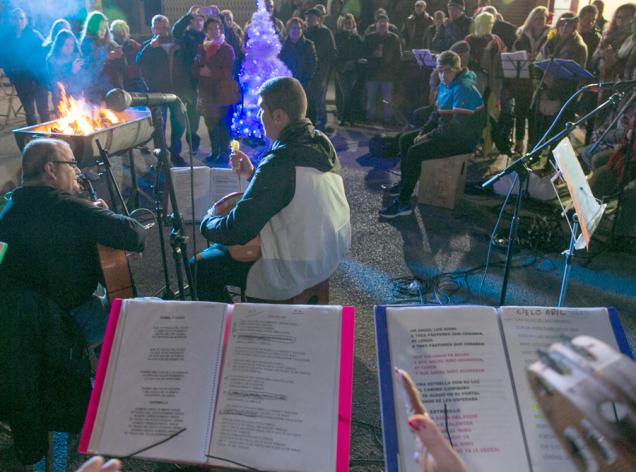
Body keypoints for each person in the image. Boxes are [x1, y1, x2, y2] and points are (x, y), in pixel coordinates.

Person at [191, 76, 351, 302]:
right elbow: (293, 190)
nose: (259, 117)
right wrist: (252, 174)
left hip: (291, 267)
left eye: (261, 110)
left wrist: (208, 220)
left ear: (278, 116)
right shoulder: (321, 143)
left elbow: (237, 229)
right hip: (326, 256)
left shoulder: (280, 161)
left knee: (199, 267)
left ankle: (232, 330)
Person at [0, 138, 147, 345]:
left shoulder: (10, 210)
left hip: (20, 327)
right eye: (71, 163)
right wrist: (101, 215)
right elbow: (134, 234)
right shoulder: (68, 207)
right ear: (51, 169)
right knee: (146, 313)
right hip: (64, 324)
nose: (78, 171)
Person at [379, 51, 484, 218]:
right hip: (449, 133)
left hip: (463, 140)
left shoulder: (463, 88)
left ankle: (404, 202)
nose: (443, 75)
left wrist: (427, 137)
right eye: (440, 71)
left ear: (457, 69)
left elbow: (455, 129)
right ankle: (404, 185)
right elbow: (436, 115)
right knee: (406, 139)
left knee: (415, 152)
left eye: (447, 70)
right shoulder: (446, 85)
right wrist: (422, 132)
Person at [136, 14, 190, 166]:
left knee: (179, 124)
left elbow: (186, 67)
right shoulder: (148, 45)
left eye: (164, 27)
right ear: (153, 29)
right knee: (159, 126)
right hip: (157, 93)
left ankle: (175, 153)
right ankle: (161, 156)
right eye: (158, 27)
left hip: (176, 92)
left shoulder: (178, 44)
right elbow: (138, 62)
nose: (162, 31)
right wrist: (149, 48)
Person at [533, 12, 587, 148]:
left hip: (562, 94)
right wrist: (537, 79)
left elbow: (578, 75)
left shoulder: (579, 46)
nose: (564, 28)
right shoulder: (551, 40)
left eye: (569, 25)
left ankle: (551, 163)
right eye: (562, 24)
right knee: (539, 128)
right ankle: (534, 155)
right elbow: (539, 60)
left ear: (575, 27)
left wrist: (556, 89)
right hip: (544, 88)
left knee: (557, 132)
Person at [192, 16, 238, 162]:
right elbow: (194, 67)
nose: (214, 31)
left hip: (221, 93)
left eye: (217, 28)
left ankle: (224, 154)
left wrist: (210, 73)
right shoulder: (201, 48)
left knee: (223, 125)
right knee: (210, 124)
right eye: (210, 28)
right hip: (206, 94)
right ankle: (215, 151)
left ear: (221, 30)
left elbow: (229, 71)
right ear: (206, 31)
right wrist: (199, 72)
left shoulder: (227, 49)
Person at [0, 8, 50, 125]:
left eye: (21, 18)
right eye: (15, 18)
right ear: (11, 21)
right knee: (29, 112)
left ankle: (50, 138)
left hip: (39, 79)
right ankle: (33, 139)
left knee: (44, 111)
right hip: (21, 80)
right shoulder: (7, 40)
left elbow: (44, 56)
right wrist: (11, 75)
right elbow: (4, 59)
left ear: (26, 20)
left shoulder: (34, 35)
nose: (18, 21)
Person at [511, 6, 549, 154]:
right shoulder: (522, 35)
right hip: (523, 79)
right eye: (536, 18)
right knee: (520, 112)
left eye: (542, 18)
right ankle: (519, 143)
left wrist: (539, 57)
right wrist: (523, 55)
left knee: (534, 116)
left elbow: (552, 54)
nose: (539, 21)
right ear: (531, 20)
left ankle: (532, 146)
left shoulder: (551, 36)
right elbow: (514, 54)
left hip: (540, 80)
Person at [361, 14, 402, 123]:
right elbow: (363, 53)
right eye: (380, 22)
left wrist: (394, 69)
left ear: (388, 24)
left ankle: (388, 119)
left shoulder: (393, 38)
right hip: (372, 73)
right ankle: (370, 118)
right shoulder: (369, 37)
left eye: (384, 22)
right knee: (371, 98)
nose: (382, 24)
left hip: (387, 74)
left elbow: (398, 56)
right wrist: (372, 55)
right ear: (376, 24)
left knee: (387, 99)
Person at [79, 11, 125, 102]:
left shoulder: (110, 43)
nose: (103, 31)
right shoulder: (87, 43)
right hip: (96, 88)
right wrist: (106, 57)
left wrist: (120, 55)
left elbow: (122, 66)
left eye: (104, 28)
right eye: (100, 28)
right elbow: (90, 64)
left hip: (113, 86)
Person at [305, 7, 337, 131]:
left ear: (318, 19)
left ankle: (321, 123)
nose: (309, 20)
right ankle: (310, 122)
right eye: (308, 18)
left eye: (312, 18)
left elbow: (332, 52)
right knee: (308, 98)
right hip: (307, 71)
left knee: (319, 98)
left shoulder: (325, 32)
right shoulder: (305, 32)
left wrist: (325, 68)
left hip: (320, 72)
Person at [280, 17, 318, 105]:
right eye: (293, 28)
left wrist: (304, 79)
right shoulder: (283, 46)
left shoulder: (308, 45)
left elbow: (312, 63)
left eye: (298, 28)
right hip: (287, 83)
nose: (296, 30)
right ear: (289, 29)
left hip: (304, 82)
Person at [334, 13, 363, 125]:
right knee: (346, 93)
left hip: (352, 69)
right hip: (341, 69)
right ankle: (347, 118)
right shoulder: (338, 36)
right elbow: (335, 52)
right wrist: (339, 65)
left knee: (349, 94)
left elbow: (360, 52)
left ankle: (346, 118)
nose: (348, 24)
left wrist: (354, 62)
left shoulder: (357, 38)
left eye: (350, 22)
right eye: (346, 22)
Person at [46, 29, 85, 109]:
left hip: (77, 96)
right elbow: (57, 83)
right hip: (61, 98)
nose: (69, 48)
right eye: (66, 45)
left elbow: (83, 79)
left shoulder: (76, 57)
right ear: (59, 45)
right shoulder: (52, 60)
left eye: (72, 45)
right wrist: (73, 71)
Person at [109, 19, 144, 92]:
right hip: (119, 84)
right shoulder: (110, 48)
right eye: (118, 32)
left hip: (135, 82)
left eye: (123, 31)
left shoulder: (134, 46)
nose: (121, 34)